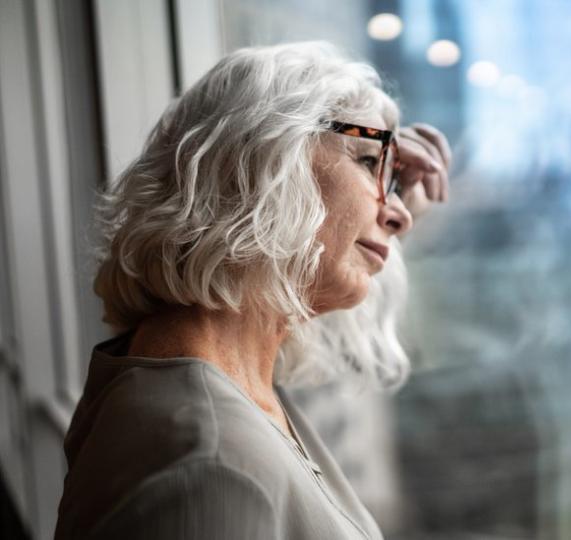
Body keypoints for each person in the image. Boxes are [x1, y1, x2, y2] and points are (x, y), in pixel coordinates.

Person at [53, 41, 452, 540]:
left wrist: (374, 173)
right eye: (371, 163)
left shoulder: (220, 390)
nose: (400, 213)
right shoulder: (209, 464)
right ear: (266, 158)